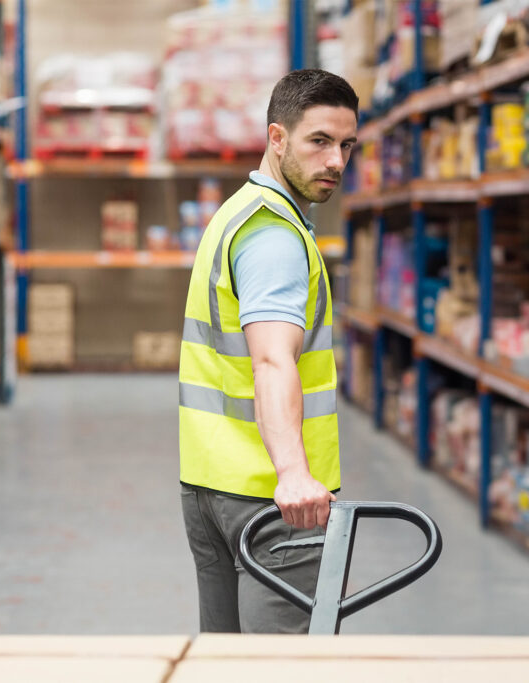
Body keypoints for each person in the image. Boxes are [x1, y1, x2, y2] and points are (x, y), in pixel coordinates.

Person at [177, 69, 359, 634]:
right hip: (274, 506)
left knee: (227, 664)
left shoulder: (237, 211)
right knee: (280, 668)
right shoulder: (276, 237)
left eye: (347, 145)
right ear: (277, 139)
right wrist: (294, 473)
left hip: (211, 486)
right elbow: (272, 358)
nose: (336, 162)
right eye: (319, 141)